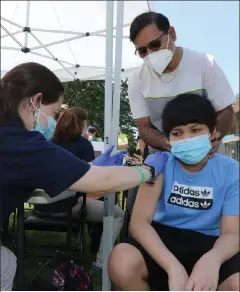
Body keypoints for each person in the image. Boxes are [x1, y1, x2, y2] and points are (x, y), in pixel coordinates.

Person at [0, 62, 167, 289]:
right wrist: (147, 170)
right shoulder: (22, 142)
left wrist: (93, 166)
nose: (54, 122)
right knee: (6, 264)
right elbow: (103, 182)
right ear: (36, 101)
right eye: (54, 113)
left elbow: (60, 183)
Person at [108, 93, 239, 291]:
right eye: (177, 133)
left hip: (211, 242)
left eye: (195, 130)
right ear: (168, 138)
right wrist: (173, 267)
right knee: (122, 261)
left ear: (213, 133)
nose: (187, 139)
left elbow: (231, 233)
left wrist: (212, 260)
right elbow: (139, 223)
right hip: (162, 238)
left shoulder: (231, 170)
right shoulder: (159, 164)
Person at [128, 11, 236, 157]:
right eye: (142, 51)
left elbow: (226, 111)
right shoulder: (137, 79)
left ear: (172, 33)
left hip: (210, 157)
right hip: (167, 159)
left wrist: (211, 140)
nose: (150, 54)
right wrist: (172, 145)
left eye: (155, 44)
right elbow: (144, 127)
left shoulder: (204, 64)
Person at [35, 106, 125, 270]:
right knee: (118, 213)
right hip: (66, 206)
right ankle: (101, 260)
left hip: (40, 205)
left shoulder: (48, 144)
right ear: (83, 124)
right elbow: (93, 182)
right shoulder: (84, 145)